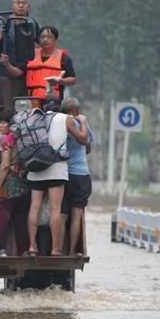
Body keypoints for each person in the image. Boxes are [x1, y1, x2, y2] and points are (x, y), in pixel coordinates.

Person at [25, 109, 89, 256]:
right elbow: (83, 139)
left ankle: (33, 247)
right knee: (55, 209)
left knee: (34, 208)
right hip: (56, 169)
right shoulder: (65, 118)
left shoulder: (33, 117)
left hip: (35, 169)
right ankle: (56, 249)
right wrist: (83, 122)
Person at [0, 0, 41, 109]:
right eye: (18, 3)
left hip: (27, 74)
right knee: (7, 107)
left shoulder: (32, 23)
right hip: (5, 73)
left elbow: (41, 42)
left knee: (26, 108)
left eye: (24, 3)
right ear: (13, 5)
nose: (21, 6)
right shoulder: (4, 21)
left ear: (28, 6)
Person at [0, 109, 30, 256]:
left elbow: (5, 165)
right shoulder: (25, 138)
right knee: (21, 220)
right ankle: (24, 250)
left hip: (10, 185)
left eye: (4, 123)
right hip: (25, 184)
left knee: (1, 217)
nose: (1, 126)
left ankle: (0, 249)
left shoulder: (8, 140)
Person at [60, 97, 93, 256]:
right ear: (76, 111)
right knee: (76, 214)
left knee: (62, 214)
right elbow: (86, 146)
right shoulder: (79, 124)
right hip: (80, 174)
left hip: (62, 175)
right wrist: (84, 122)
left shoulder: (58, 124)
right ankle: (73, 250)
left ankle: (57, 250)